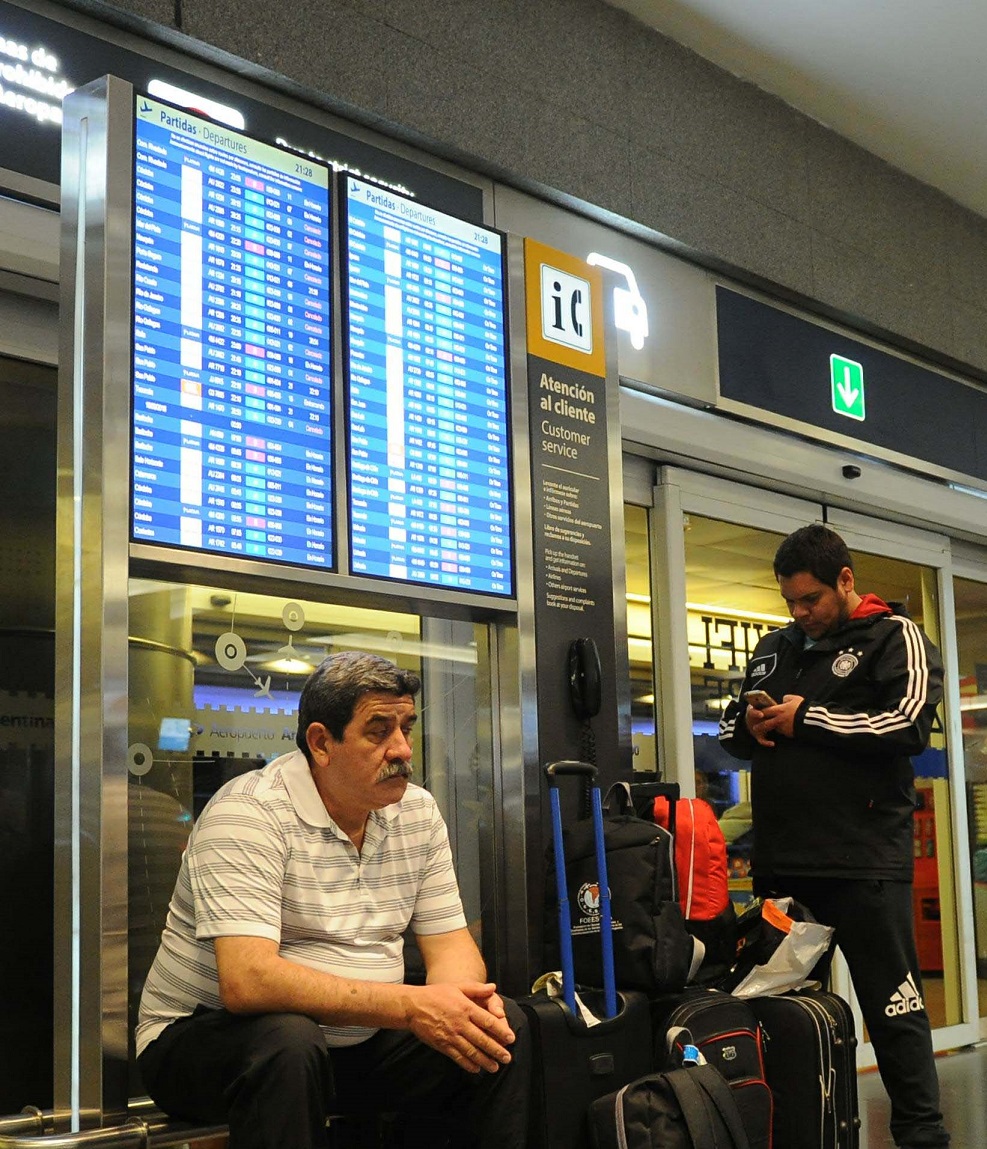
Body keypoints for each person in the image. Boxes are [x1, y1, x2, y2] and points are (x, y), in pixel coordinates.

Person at [136, 651, 529, 1149]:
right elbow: (248, 981)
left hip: (354, 1042)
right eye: (378, 730)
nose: (402, 749)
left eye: (406, 728)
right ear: (321, 743)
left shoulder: (418, 812)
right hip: (204, 1043)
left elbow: (451, 947)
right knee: (288, 1039)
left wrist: (455, 1009)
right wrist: (412, 1008)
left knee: (498, 1029)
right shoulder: (248, 812)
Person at [718, 523, 949, 1149]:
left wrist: (805, 719)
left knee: (894, 1012)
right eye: (790, 601)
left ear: (845, 580)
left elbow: (906, 727)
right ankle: (805, 1132)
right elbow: (731, 728)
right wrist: (753, 728)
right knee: (784, 1017)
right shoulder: (774, 646)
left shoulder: (894, 635)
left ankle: (923, 1136)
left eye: (811, 599)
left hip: (864, 863)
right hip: (784, 867)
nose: (800, 613)